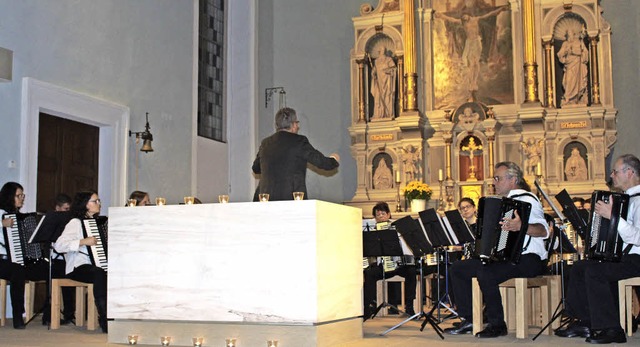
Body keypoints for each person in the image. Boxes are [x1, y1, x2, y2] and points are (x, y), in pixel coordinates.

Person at [444, 162, 549, 337]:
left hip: (528, 258)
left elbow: (543, 230)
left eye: (498, 178)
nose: (494, 182)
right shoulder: (498, 203)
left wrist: (521, 227)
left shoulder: (528, 199)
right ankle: (470, 319)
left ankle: (497, 324)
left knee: (487, 272)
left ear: (513, 180)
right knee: (458, 269)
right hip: (504, 258)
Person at [555, 154, 640, 344]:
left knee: (595, 272)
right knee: (580, 267)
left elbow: (637, 237)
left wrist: (613, 217)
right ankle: (586, 321)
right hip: (621, 258)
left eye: (615, 171)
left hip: (636, 259)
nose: (612, 175)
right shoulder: (624, 199)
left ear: (629, 172)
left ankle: (611, 329)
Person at [252, 107, 339, 201]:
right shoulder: (299, 142)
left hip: (265, 201)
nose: (297, 126)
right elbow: (322, 162)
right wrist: (334, 159)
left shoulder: (265, 143)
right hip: (292, 201)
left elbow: (256, 168)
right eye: (297, 123)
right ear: (293, 125)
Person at [53, 190, 108, 333]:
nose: (99, 204)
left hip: (96, 265)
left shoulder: (99, 222)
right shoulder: (76, 223)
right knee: (99, 273)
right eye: (95, 201)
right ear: (85, 205)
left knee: (109, 272)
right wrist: (83, 241)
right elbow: (59, 245)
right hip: (78, 267)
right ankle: (104, 318)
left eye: (99, 201)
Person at [436, 6, 508, 96]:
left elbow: (489, 14)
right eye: (463, 17)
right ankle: (471, 83)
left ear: (468, 14)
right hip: (469, 43)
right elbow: (451, 19)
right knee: (471, 64)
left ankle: (474, 82)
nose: (465, 18)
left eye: (465, 16)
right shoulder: (463, 23)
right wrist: (441, 15)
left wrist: (500, 10)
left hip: (477, 42)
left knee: (476, 63)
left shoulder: (476, 19)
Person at [363, 202, 417, 321]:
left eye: (383, 213)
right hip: (384, 266)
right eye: (378, 215)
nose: (381, 216)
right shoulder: (372, 230)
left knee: (412, 271)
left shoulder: (398, 228)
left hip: (400, 265)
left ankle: (409, 306)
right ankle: (369, 306)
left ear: (388, 215)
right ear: (375, 218)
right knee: (369, 273)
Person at [0, 182, 30, 329]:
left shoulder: (19, 217)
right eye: (18, 196)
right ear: (9, 196)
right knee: (17, 270)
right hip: (1, 259)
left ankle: (49, 315)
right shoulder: (0, 213)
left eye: (22, 195)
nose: (21, 199)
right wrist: (1, 224)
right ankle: (18, 315)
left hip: (14, 260)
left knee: (44, 268)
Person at [557, 28, 589, 106]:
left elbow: (585, 53)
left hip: (578, 64)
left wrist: (580, 53)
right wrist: (565, 52)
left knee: (579, 81)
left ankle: (577, 98)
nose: (569, 36)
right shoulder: (565, 44)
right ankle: (567, 97)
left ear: (574, 34)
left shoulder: (579, 42)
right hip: (569, 65)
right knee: (568, 81)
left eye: (570, 34)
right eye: (568, 34)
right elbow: (559, 54)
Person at [370, 46, 396, 119]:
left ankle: (388, 114)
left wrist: (388, 71)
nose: (383, 50)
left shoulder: (389, 59)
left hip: (387, 82)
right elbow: (374, 70)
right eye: (381, 49)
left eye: (384, 49)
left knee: (387, 97)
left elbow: (394, 69)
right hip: (379, 82)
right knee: (378, 97)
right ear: (379, 51)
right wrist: (373, 73)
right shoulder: (376, 61)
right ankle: (378, 114)